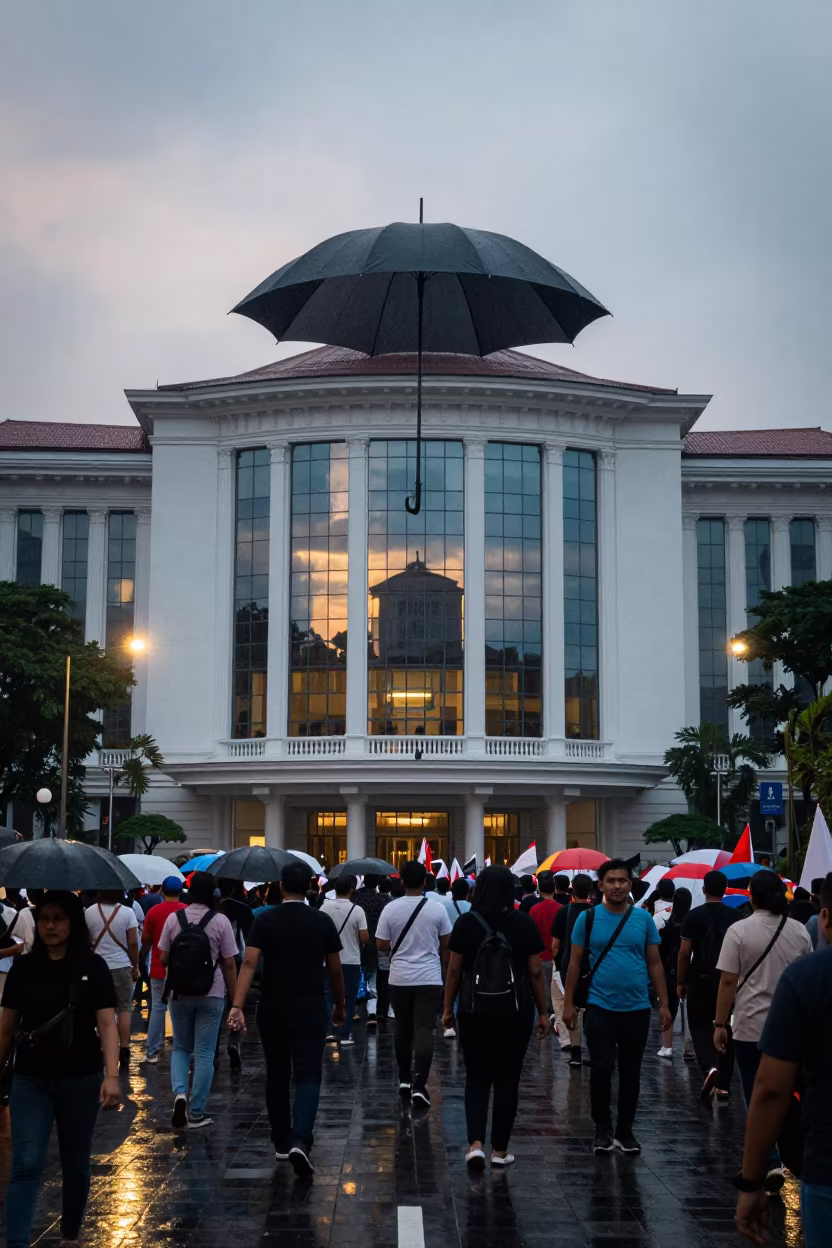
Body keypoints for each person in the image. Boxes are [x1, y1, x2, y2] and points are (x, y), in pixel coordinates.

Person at [0, 892, 120, 1248]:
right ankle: (16, 1241)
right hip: (31, 1076)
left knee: (75, 1160)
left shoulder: (92, 967)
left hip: (81, 1076)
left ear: (73, 923)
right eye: (44, 919)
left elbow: (108, 1023)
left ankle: (70, 1232)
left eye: (59, 918)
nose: (50, 926)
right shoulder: (24, 966)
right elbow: (7, 1027)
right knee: (26, 1161)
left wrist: (112, 1076)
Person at [228, 861, 345, 1177]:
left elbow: (249, 963)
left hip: (272, 1005)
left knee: (277, 1073)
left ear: (280, 887)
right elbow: (335, 968)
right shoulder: (320, 921)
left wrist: (237, 1005)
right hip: (310, 1004)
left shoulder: (265, 920)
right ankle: (300, 1138)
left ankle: (280, 1141)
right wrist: (341, 1004)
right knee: (308, 1074)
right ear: (310, 887)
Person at [734, 872, 832, 1245]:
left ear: (825, 917)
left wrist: (752, 1179)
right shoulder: (797, 940)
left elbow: (771, 1091)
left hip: (826, 1167)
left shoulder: (808, 978)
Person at [442, 866, 548, 1169]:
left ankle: (475, 1144)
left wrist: (448, 1008)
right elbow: (535, 971)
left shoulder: (466, 923)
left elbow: (453, 970)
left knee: (476, 1077)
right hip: (516, 1011)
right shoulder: (523, 922)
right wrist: (543, 1012)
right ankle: (500, 1151)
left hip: (474, 1011)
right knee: (507, 1079)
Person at [563, 858, 671, 1154]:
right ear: (600, 886)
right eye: (611, 881)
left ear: (630, 884)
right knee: (601, 1067)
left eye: (622, 881)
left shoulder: (643, 920)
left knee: (631, 1071)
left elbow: (655, 963)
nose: (617, 886)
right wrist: (568, 1003)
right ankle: (602, 1125)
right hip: (599, 1005)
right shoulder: (588, 919)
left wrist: (663, 1003)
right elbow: (574, 963)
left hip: (636, 1007)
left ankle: (625, 1130)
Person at [713, 869, 812, 1192]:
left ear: (751, 896)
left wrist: (719, 1023)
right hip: (794, 1027)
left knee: (755, 1094)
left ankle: (768, 1159)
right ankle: (792, 1154)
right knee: (790, 1092)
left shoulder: (739, 931)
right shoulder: (799, 931)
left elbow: (728, 981)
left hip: (751, 1027)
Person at [157, 871, 238, 1130]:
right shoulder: (220, 920)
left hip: (179, 992)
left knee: (181, 1047)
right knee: (204, 1052)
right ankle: (197, 1111)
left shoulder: (174, 918)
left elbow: (162, 958)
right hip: (211, 992)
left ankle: (180, 1093)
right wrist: (236, 999)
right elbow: (229, 962)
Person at [375, 860, 452, 1108]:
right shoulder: (437, 909)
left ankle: (404, 1080)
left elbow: (381, 944)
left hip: (399, 977)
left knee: (403, 1029)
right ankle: (420, 1085)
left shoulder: (390, 909)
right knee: (424, 1029)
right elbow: (445, 943)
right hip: (429, 976)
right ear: (425, 882)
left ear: (401, 881)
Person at [677, 869, 739, 1102]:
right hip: (727, 977)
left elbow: (684, 953)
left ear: (704, 890)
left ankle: (709, 1066)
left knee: (700, 1025)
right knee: (726, 1026)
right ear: (725, 890)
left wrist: (681, 981)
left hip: (699, 977)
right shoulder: (736, 916)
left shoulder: (692, 917)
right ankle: (723, 1083)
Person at [85, 889, 140, 1068]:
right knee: (124, 1008)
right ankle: (124, 1048)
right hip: (122, 966)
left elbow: (86, 941)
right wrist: (135, 965)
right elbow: (133, 942)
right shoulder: (127, 912)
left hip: (98, 967)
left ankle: (105, 1048)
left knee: (102, 1009)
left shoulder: (90, 912)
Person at [138, 876, 186, 1064]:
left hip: (159, 967)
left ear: (162, 891)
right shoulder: (187, 911)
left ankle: (152, 1051)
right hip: (182, 969)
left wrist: (141, 958)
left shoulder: (154, 912)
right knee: (180, 1009)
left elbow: (146, 941)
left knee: (157, 1008)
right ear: (180, 892)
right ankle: (182, 1049)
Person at [550, 873, 593, 1064]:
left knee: (570, 1004)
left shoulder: (563, 912)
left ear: (572, 889)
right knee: (591, 1008)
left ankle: (575, 1051)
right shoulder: (596, 912)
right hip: (592, 964)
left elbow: (555, 944)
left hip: (568, 963)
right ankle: (592, 1050)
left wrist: (557, 963)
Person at [321, 874, 368, 1046]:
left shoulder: (325, 908)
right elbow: (364, 938)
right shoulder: (357, 910)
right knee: (349, 998)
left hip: (328, 960)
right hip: (351, 960)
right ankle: (344, 1033)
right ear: (351, 890)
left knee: (327, 996)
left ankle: (327, 1031)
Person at [656, 886, 692, 1057]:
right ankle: (689, 1048)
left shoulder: (665, 923)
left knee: (666, 1006)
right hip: (691, 969)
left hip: (668, 971)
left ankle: (667, 1046)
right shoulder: (693, 922)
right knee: (690, 1010)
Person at [353, 873, 390, 1030]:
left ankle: (353, 1010)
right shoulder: (384, 900)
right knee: (375, 979)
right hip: (377, 943)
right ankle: (373, 1012)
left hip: (357, 944)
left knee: (356, 977)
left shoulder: (356, 899)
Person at [529, 871, 561, 1028]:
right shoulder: (562, 909)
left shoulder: (534, 910)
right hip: (557, 956)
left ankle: (544, 1015)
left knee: (541, 989)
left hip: (540, 956)